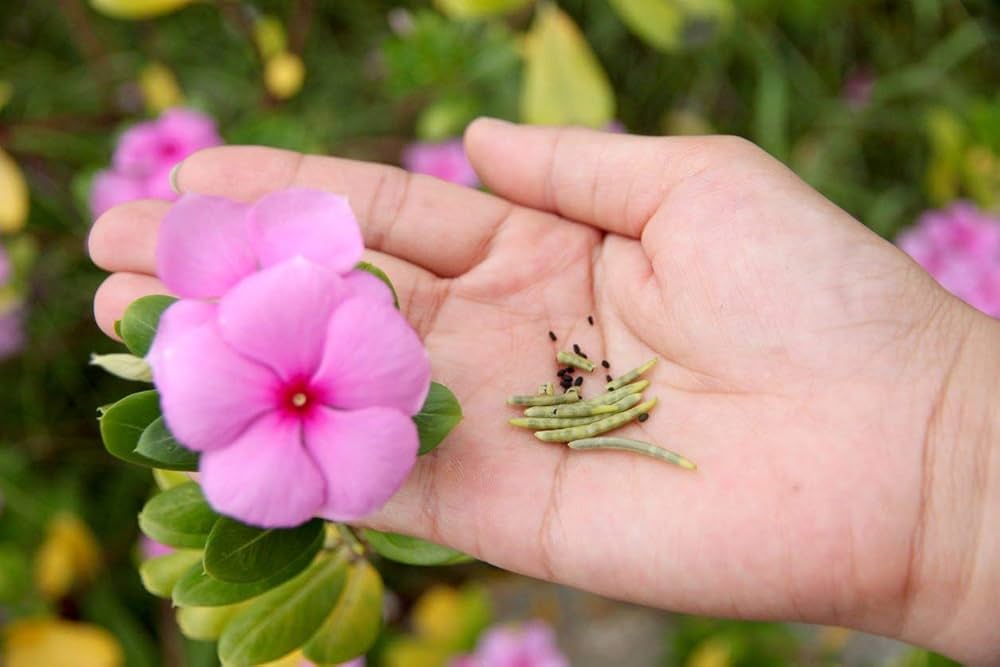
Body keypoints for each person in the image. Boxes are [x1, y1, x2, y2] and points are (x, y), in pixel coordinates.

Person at [88, 119, 999, 665]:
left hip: (336, 402)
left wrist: (952, 454)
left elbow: (378, 366)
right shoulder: (227, 357)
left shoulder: (347, 334)